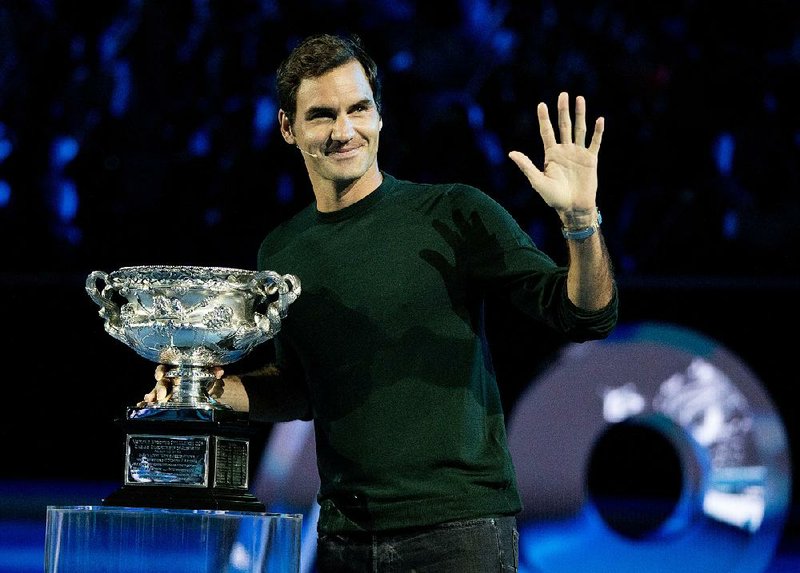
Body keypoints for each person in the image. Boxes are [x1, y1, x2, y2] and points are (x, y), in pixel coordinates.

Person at [147, 32, 617, 572]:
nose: (344, 131)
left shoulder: (453, 213)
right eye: (322, 115)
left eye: (358, 109)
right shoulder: (281, 251)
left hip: (459, 534)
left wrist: (581, 223)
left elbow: (585, 313)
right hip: (344, 537)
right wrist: (201, 385)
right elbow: (300, 391)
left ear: (379, 117)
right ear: (287, 128)